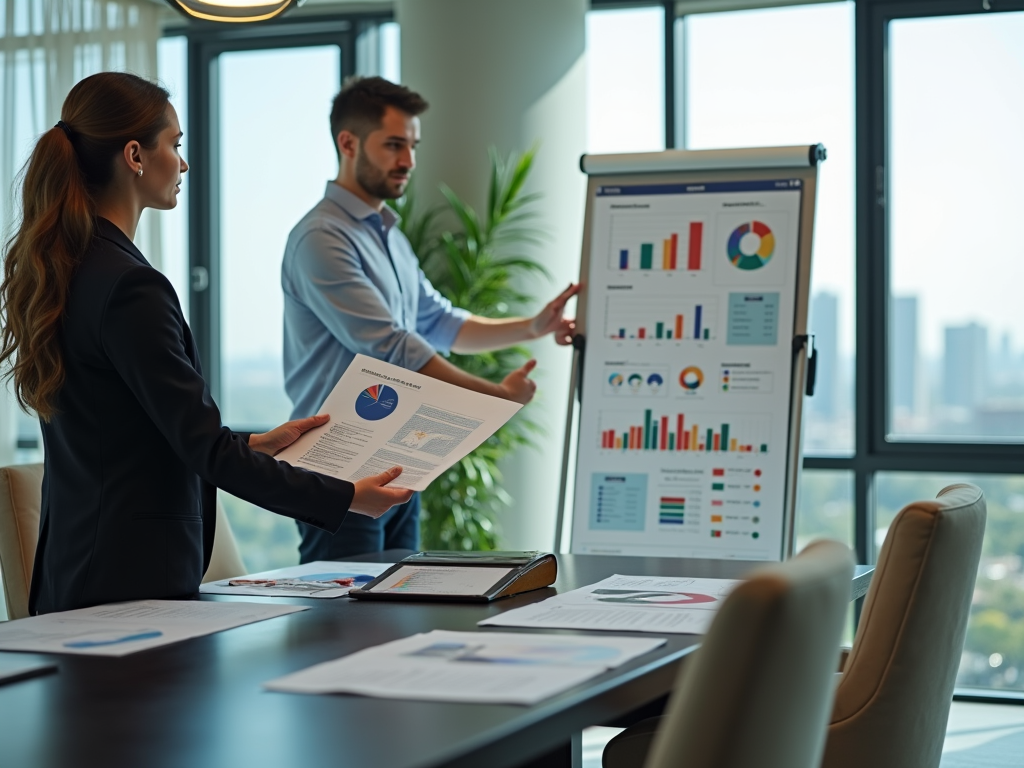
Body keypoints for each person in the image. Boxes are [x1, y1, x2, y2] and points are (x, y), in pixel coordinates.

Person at [0, 72, 413, 615]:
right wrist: (347, 497)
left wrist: (255, 443)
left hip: (80, 572)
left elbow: (134, 431)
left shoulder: (73, 267)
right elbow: (203, 451)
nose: (184, 162)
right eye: (174, 144)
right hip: (128, 587)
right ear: (134, 155)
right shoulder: (130, 285)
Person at [282, 76, 578, 562]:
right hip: (337, 467)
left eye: (413, 146)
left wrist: (533, 327)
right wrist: (496, 398)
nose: (409, 161)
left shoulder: (389, 236)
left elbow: (439, 322)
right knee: (341, 620)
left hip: (396, 460)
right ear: (349, 143)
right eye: (394, 145)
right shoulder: (321, 238)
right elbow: (392, 346)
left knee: (395, 610)